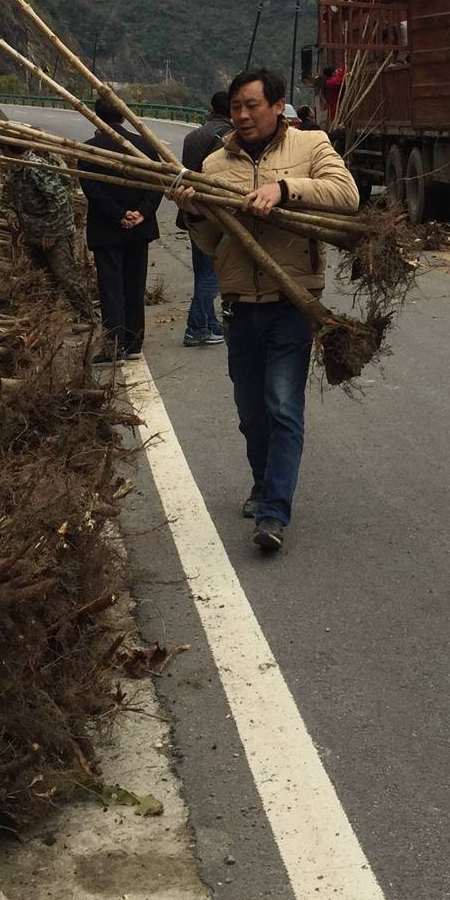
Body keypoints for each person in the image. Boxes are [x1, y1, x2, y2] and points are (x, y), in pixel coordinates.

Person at [170, 67, 359, 554]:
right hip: (239, 305)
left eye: (253, 105)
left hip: (292, 301)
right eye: (237, 107)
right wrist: (194, 214)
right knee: (251, 412)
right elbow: (213, 246)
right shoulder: (214, 165)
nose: (244, 115)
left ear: (279, 107)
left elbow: (347, 195)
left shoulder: (311, 146)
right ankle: (263, 482)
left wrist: (285, 188)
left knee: (281, 406)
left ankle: (274, 511)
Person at [78, 98, 161, 362]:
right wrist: (142, 213)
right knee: (135, 286)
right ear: (124, 117)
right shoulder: (145, 145)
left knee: (111, 288)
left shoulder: (90, 149)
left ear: (96, 117)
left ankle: (115, 346)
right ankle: (134, 344)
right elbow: (158, 182)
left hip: (107, 228)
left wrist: (118, 214)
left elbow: (92, 190)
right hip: (139, 227)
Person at [0, 140, 94, 318]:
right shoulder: (15, 170)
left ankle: (87, 315)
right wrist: (11, 215)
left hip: (55, 233)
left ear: (7, 149)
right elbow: (6, 200)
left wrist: (52, 233)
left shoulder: (35, 169)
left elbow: (60, 200)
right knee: (44, 275)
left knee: (65, 273)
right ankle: (48, 314)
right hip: (32, 234)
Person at [178, 91, 232, 348]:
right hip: (215, 215)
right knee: (212, 274)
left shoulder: (193, 136)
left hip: (192, 212)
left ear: (211, 108)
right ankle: (196, 327)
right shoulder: (230, 138)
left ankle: (211, 324)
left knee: (202, 271)